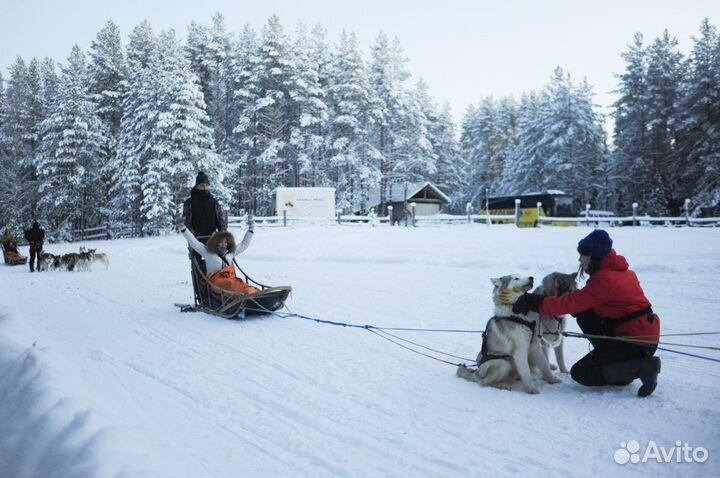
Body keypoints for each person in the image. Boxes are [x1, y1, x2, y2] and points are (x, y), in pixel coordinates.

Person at [512, 229, 661, 397]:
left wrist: (534, 302)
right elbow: (581, 301)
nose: (579, 259)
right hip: (642, 336)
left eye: (582, 255)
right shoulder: (621, 272)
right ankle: (624, 368)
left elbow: (569, 303)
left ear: (591, 255)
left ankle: (642, 366)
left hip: (634, 340)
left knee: (582, 373)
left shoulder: (605, 279)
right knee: (583, 312)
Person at [181, 221, 258, 296]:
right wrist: (183, 228)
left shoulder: (230, 253)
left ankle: (253, 293)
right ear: (215, 242)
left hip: (231, 279)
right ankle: (246, 295)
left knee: (240, 283)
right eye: (221, 242)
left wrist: (251, 229)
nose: (223, 245)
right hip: (215, 282)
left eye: (225, 242)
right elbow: (194, 243)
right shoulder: (208, 253)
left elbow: (244, 245)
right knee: (230, 284)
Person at [182, 171, 227, 242]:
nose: (205, 187)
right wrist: (193, 236)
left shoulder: (213, 202)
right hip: (196, 240)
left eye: (206, 185)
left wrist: (223, 235)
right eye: (202, 185)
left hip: (212, 240)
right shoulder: (189, 203)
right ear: (197, 186)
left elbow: (221, 219)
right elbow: (187, 222)